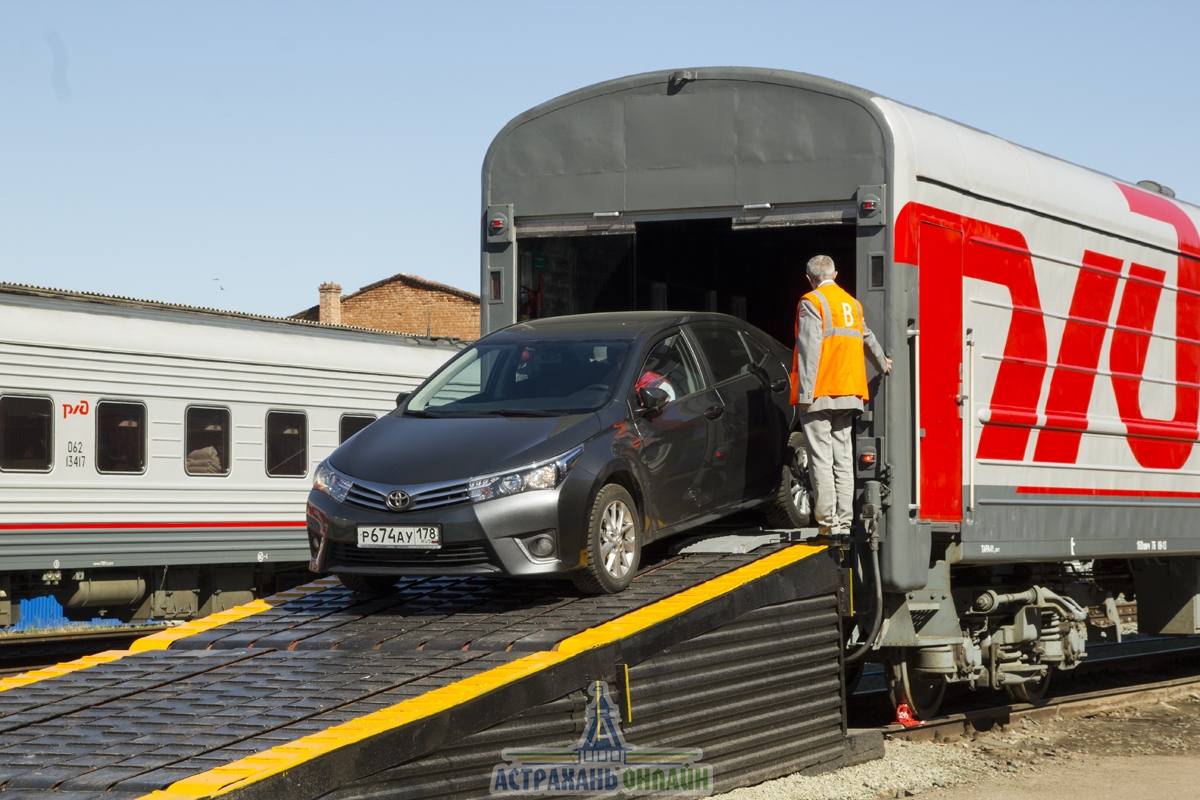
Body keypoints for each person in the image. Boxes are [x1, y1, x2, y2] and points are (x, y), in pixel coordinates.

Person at [791, 255, 891, 540]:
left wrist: (806, 394)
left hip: (820, 392)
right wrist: (883, 364)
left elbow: (809, 351)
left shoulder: (812, 302)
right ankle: (845, 523)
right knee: (843, 459)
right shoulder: (852, 304)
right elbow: (867, 337)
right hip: (849, 393)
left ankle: (828, 526)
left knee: (821, 459)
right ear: (835, 273)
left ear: (809, 278)